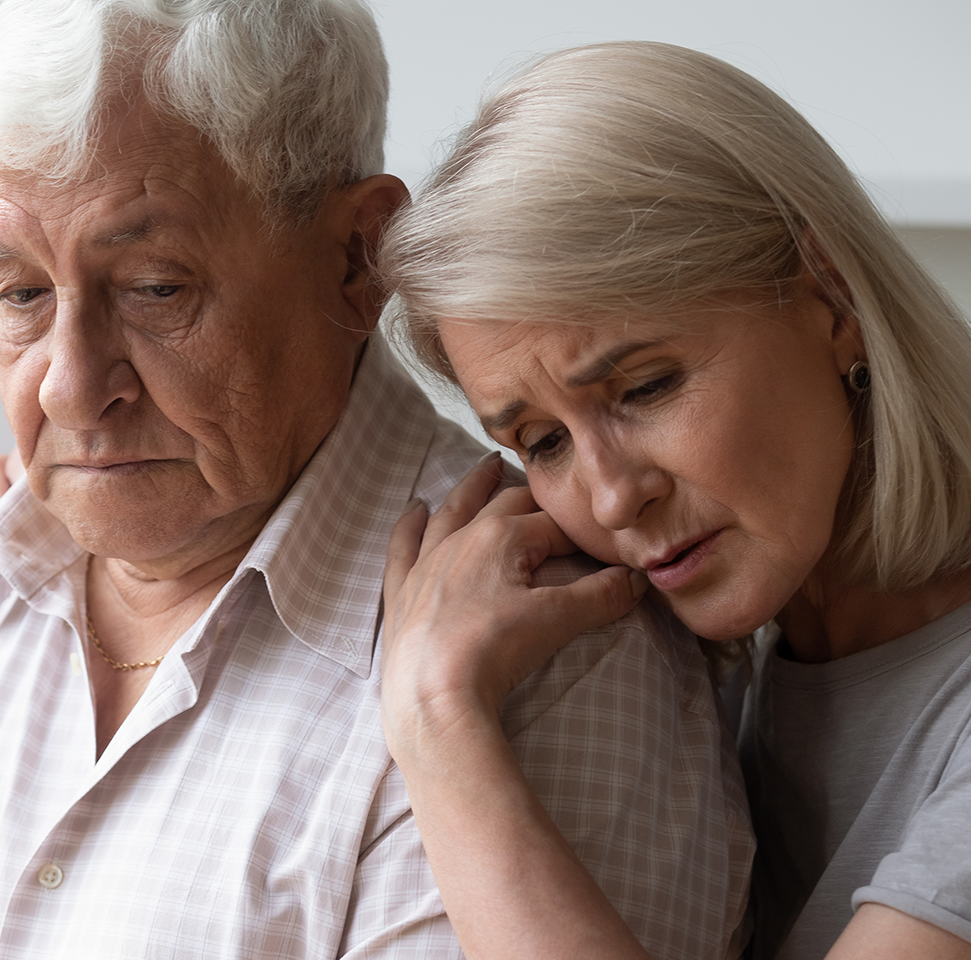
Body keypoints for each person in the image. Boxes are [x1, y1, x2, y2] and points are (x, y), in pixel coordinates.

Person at [0, 3, 757, 958]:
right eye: (21, 292)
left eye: (156, 287)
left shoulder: (547, 644)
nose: (72, 391)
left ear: (357, 260)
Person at [371, 40, 971, 960]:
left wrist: (436, 721)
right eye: (542, 442)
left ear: (831, 295)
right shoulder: (720, 678)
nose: (613, 497)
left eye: (646, 388)